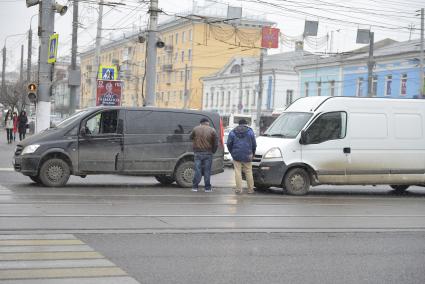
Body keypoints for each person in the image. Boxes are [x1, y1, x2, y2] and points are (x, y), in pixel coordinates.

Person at [227, 119, 257, 194]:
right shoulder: (250, 131)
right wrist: (252, 153)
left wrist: (232, 152)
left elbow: (229, 144)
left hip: (236, 155)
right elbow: (254, 144)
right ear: (246, 124)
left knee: (237, 172)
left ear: (238, 124)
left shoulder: (233, 132)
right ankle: (250, 189)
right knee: (248, 171)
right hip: (247, 154)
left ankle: (238, 189)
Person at [190, 118, 218, 192]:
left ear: (200, 123)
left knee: (197, 170)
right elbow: (216, 143)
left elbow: (190, 137)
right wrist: (213, 151)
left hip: (197, 153)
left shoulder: (195, 129)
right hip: (208, 153)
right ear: (207, 123)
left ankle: (195, 187)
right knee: (207, 171)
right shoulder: (212, 130)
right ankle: (207, 188)